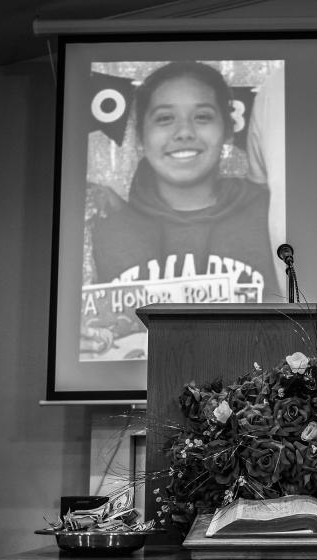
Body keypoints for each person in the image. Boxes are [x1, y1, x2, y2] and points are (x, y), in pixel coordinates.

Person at [85, 62, 279, 357]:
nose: (184, 132)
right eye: (164, 118)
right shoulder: (103, 222)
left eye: (202, 116)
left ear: (227, 129)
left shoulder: (269, 212)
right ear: (140, 136)